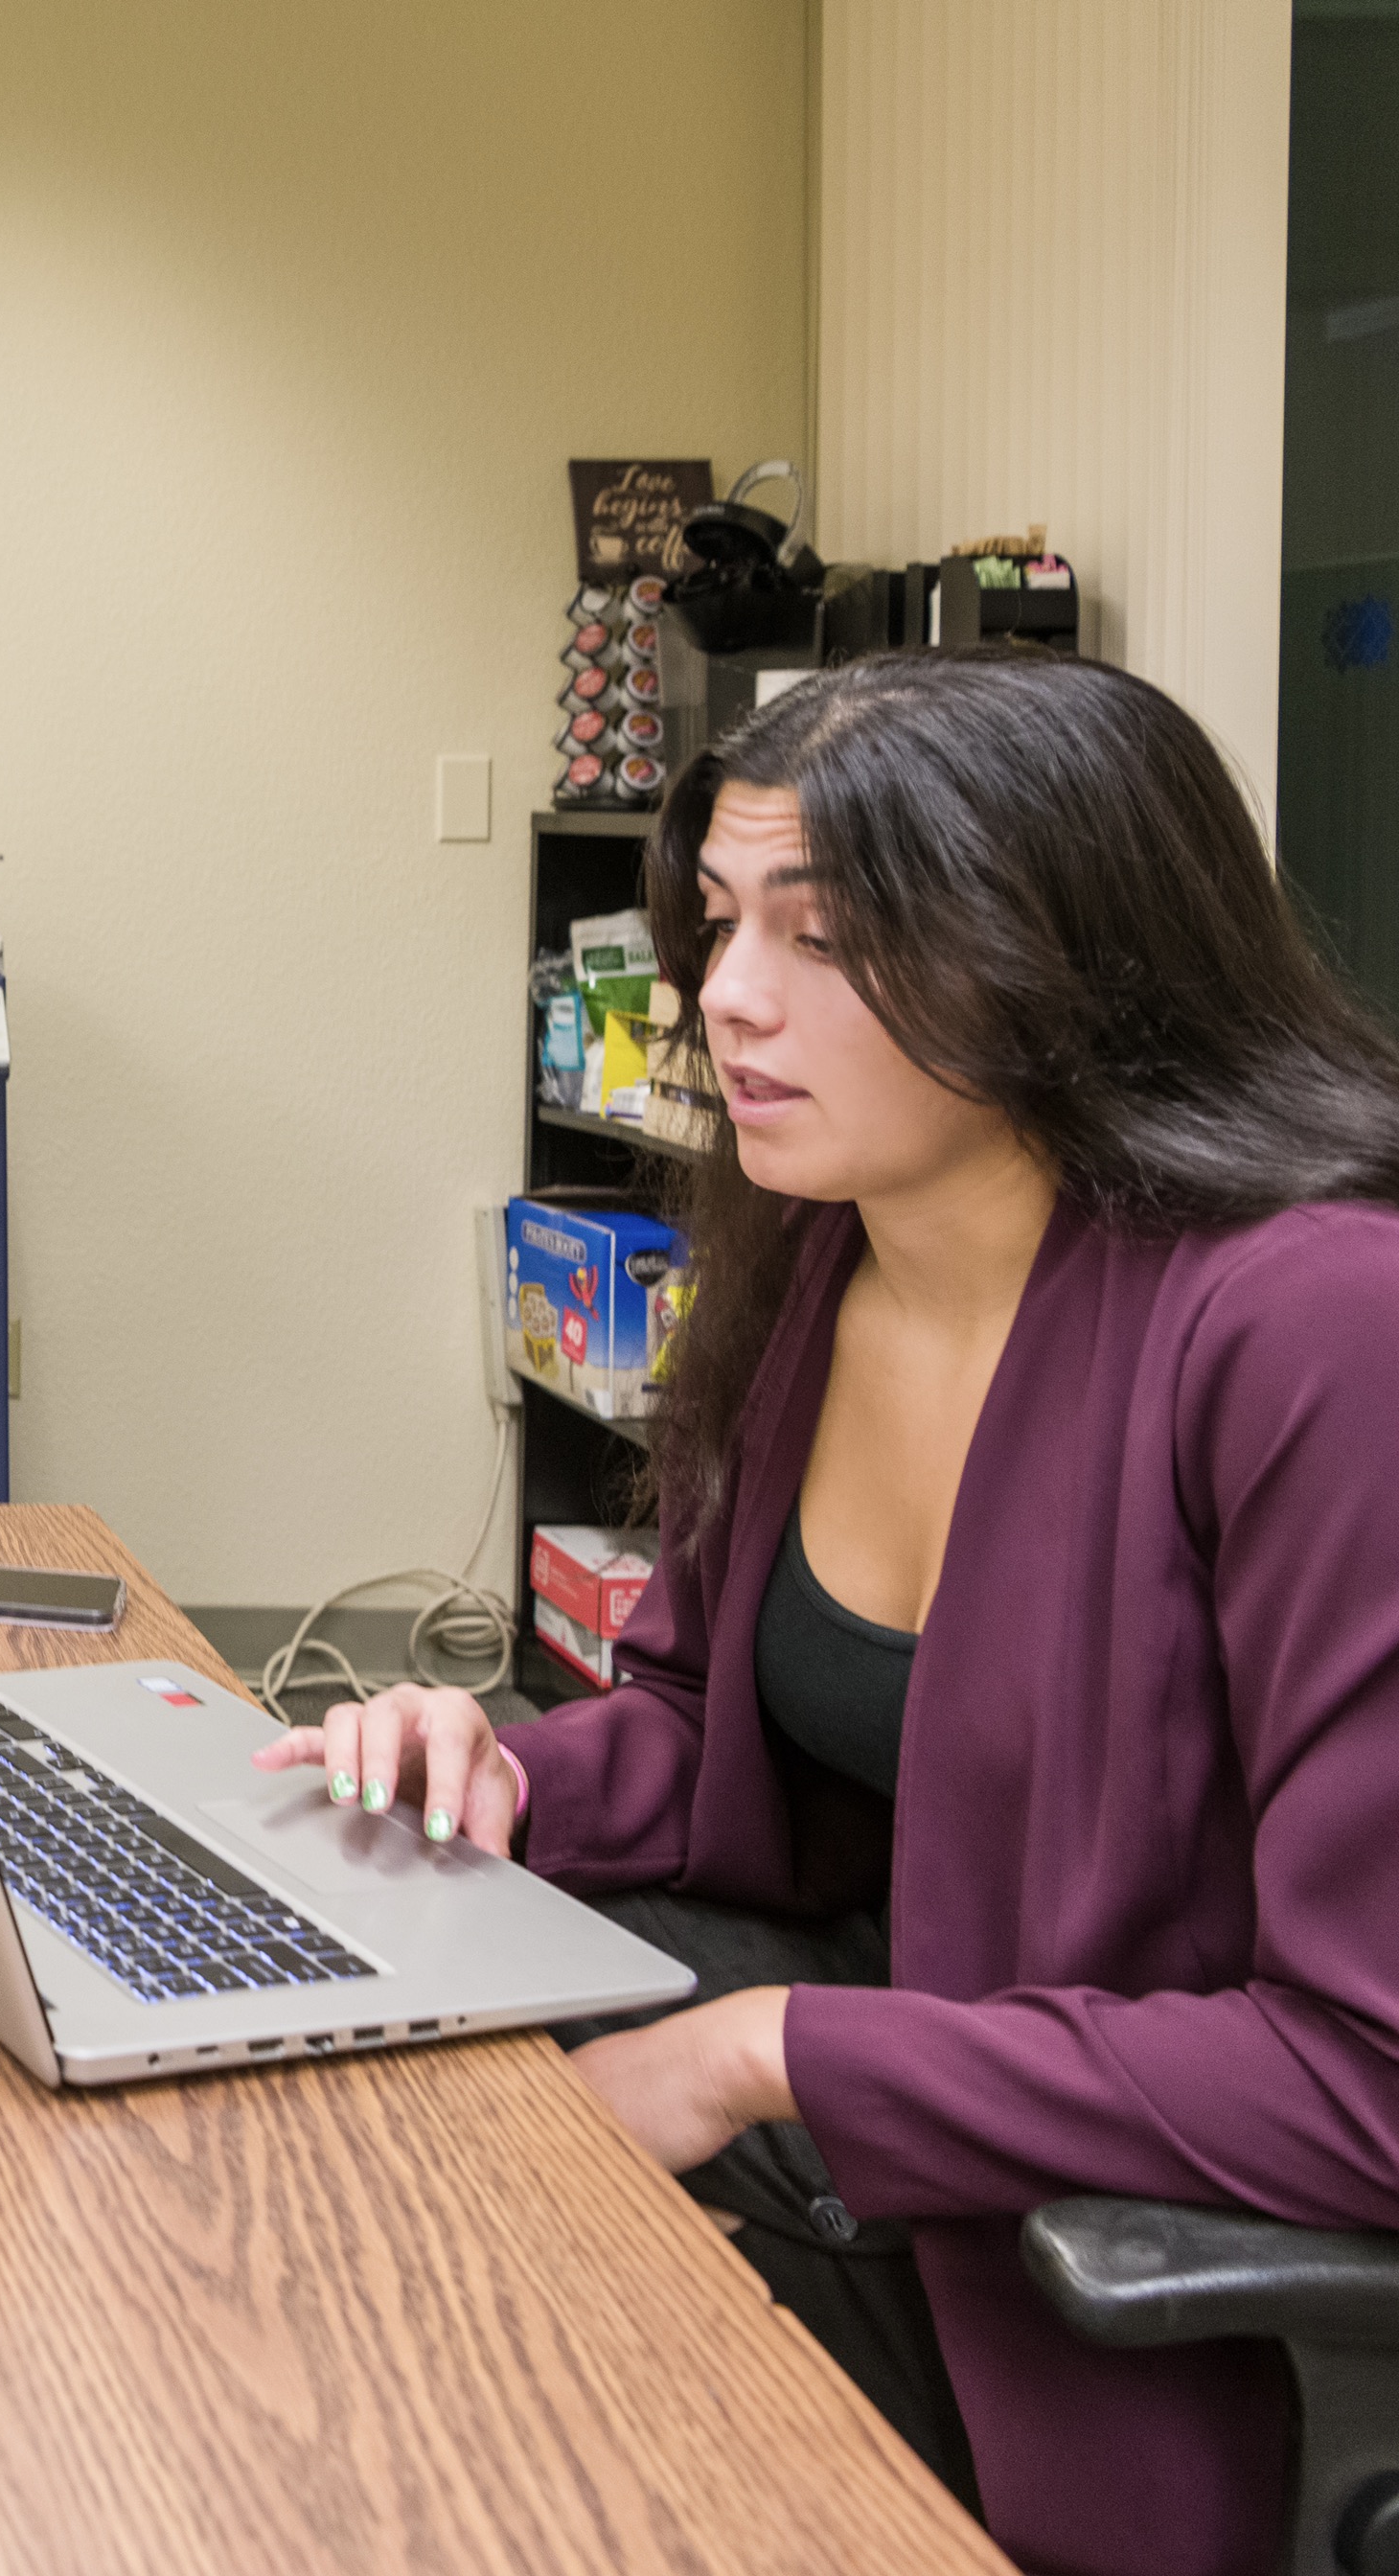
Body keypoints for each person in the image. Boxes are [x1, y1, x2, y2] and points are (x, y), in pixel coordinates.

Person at [255, 649, 1399, 2576]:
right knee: (325, 2205)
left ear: (1076, 959)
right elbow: (736, 1734)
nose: (727, 1002)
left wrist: (772, 2052)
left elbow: (1366, 2081)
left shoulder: (1312, 1325)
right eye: (717, 921)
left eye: (835, 936)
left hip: (1060, 2257)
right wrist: (506, 1778)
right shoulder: (824, 1249)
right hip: (883, 2095)